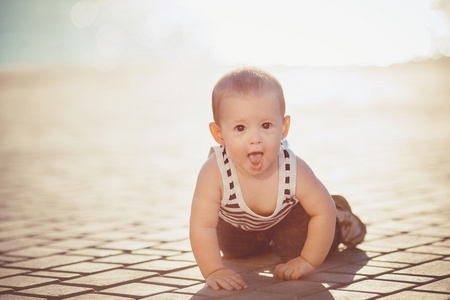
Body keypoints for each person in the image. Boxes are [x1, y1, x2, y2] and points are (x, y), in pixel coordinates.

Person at [189, 66, 366, 291]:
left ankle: (343, 221)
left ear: (283, 128)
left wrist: (307, 261)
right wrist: (214, 270)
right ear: (219, 134)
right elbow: (202, 225)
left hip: (289, 218)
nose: (255, 138)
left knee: (296, 247)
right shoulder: (214, 171)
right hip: (237, 225)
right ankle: (265, 241)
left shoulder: (292, 168)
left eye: (266, 125)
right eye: (240, 128)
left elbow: (322, 211)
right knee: (234, 252)